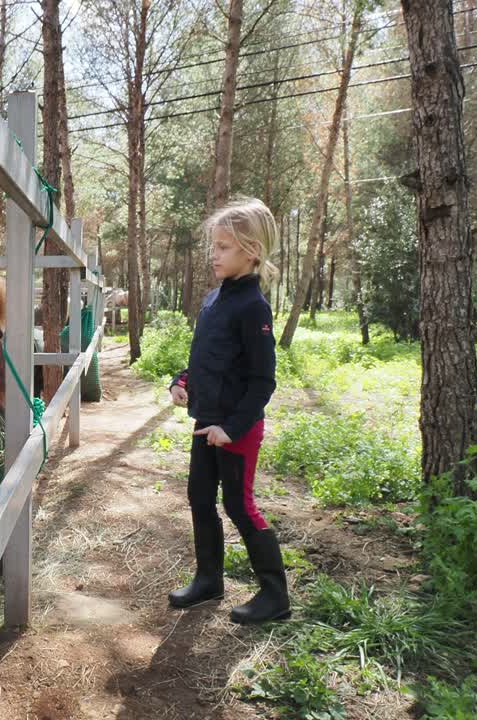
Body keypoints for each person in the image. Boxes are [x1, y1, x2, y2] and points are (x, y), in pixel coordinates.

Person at [167, 197, 286, 624]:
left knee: (239, 505)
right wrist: (182, 381)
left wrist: (232, 429)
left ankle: (275, 596)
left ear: (250, 251)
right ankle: (208, 580)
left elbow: (262, 381)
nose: (213, 254)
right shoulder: (214, 298)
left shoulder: (254, 307)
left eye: (224, 247)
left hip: (237, 429)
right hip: (206, 423)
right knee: (199, 496)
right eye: (213, 245)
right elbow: (206, 359)